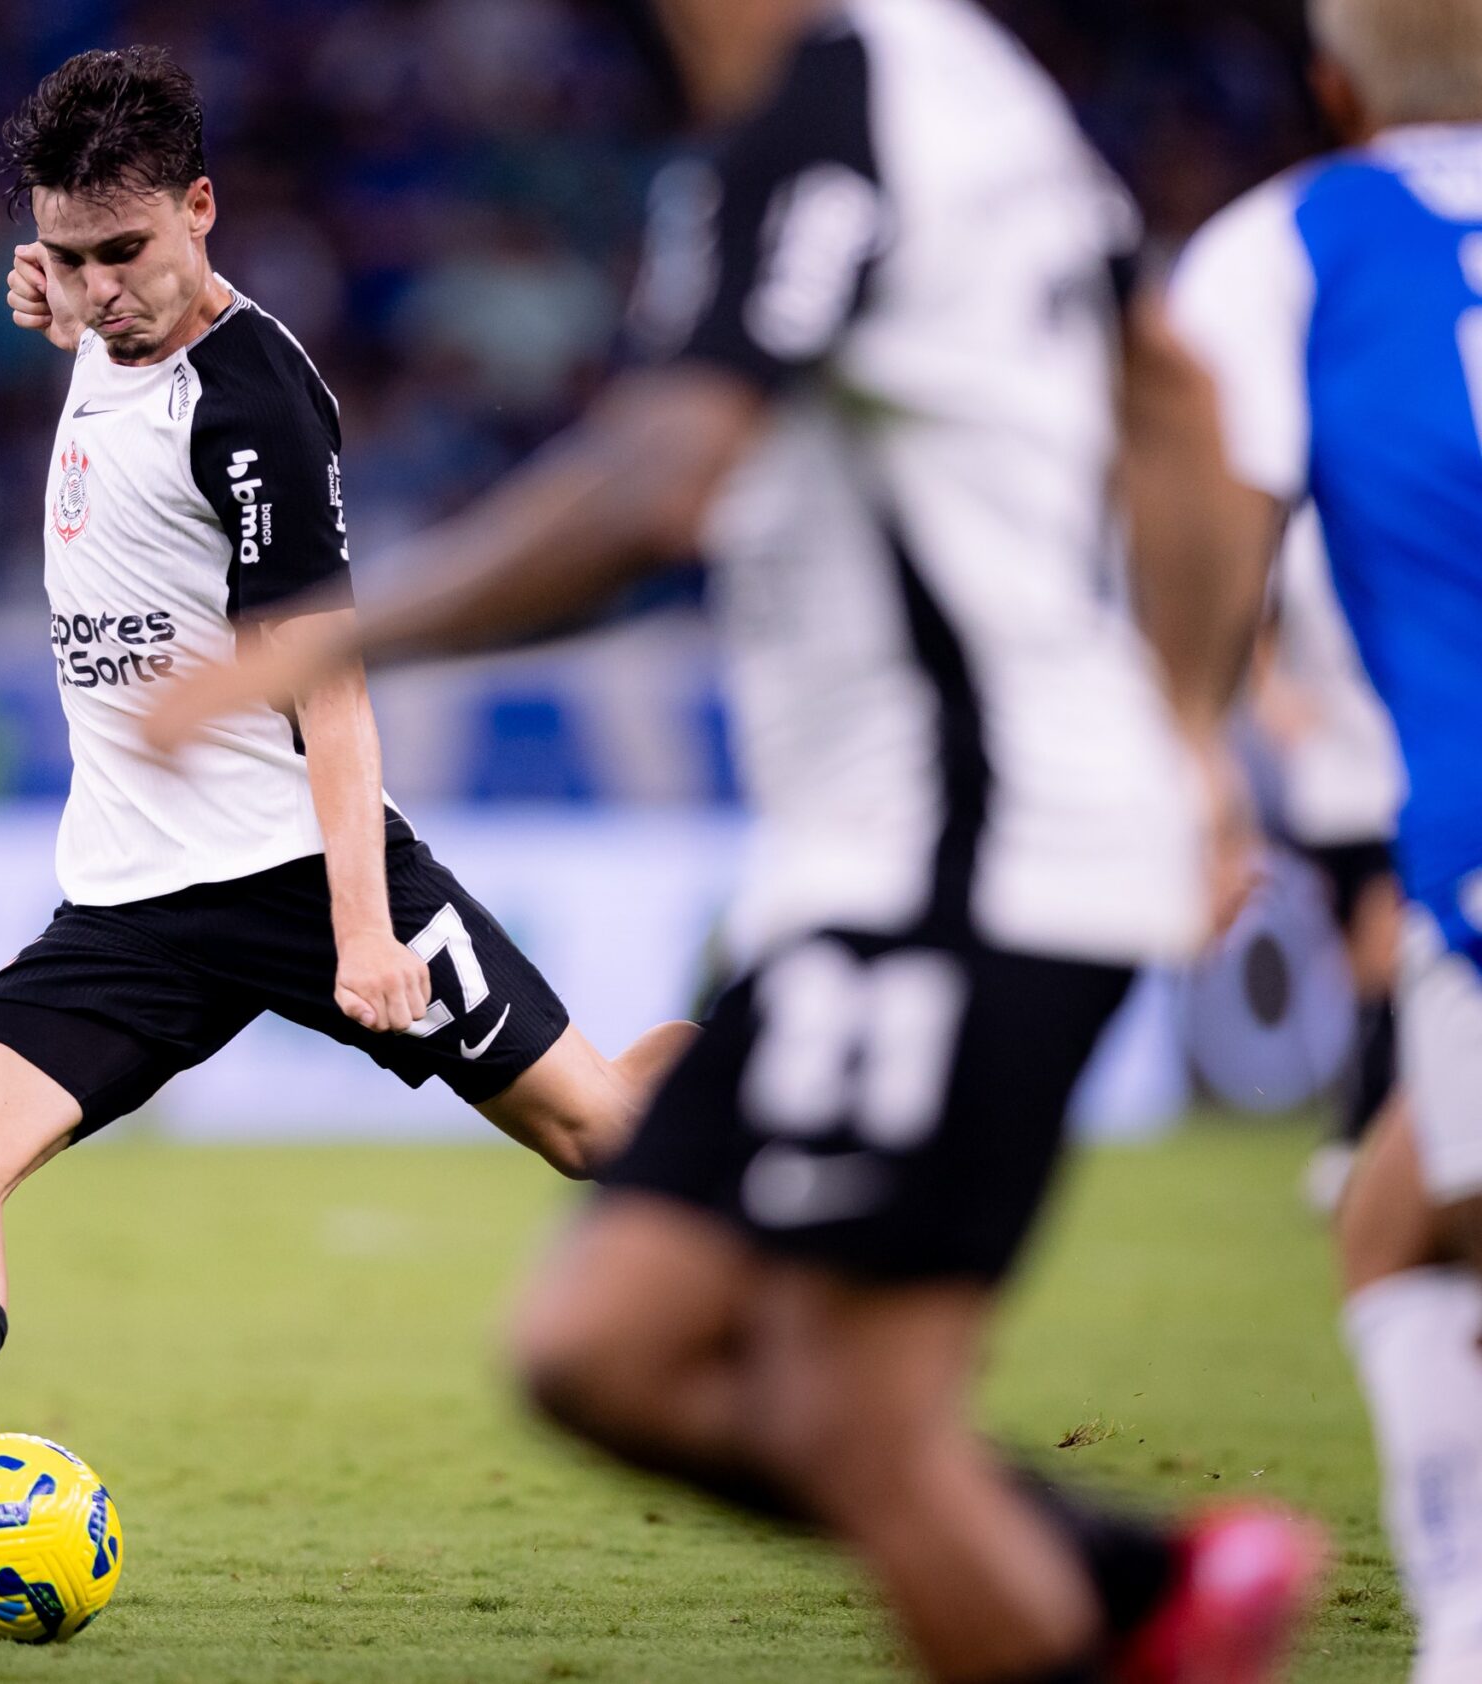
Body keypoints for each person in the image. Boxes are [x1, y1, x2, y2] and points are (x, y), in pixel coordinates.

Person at [146, 2, 1327, 1680]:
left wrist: (321, 637)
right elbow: (1181, 403)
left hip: (964, 862)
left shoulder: (826, 103)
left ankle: (1137, 1606)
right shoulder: (970, 89)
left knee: (850, 1413)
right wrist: (1187, 736)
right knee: (606, 1349)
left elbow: (659, 486)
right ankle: (1142, 1585)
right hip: (903, 863)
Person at [0, 45, 692, 1605]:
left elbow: (333, 685)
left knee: (603, 1140)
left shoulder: (253, 405)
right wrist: (51, 297)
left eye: (130, 254)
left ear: (203, 209)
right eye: (68, 257)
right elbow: (74, 309)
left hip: (307, 869)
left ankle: (732, 1089)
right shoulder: (91, 309)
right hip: (127, 902)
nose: (100, 289)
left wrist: (365, 930)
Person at [1169, 0, 1482, 1672]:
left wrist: (1187, 756)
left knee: (1426, 1210)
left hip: (1471, 808)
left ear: (1334, 87)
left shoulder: (1295, 239)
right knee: (1397, 1205)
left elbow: (1213, 511)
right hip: (1430, 812)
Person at [1246, 508, 1404, 1213]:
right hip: (1328, 793)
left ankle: (1356, 1140)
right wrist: (1269, 696)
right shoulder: (1302, 537)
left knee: (1390, 966)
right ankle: (1367, 1144)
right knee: (1365, 981)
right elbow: (1253, 620)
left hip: (1405, 786)